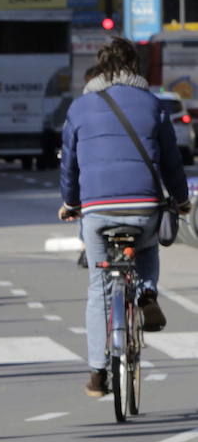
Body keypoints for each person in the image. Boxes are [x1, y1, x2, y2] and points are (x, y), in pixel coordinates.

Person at [59, 37, 190, 397]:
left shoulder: (80, 108)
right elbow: (171, 162)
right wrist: (180, 200)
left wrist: (70, 203)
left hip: (98, 213)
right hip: (144, 207)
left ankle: (98, 374)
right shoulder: (152, 104)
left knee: (98, 289)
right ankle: (147, 292)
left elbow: (69, 165)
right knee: (147, 249)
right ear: (136, 67)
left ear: (99, 68)